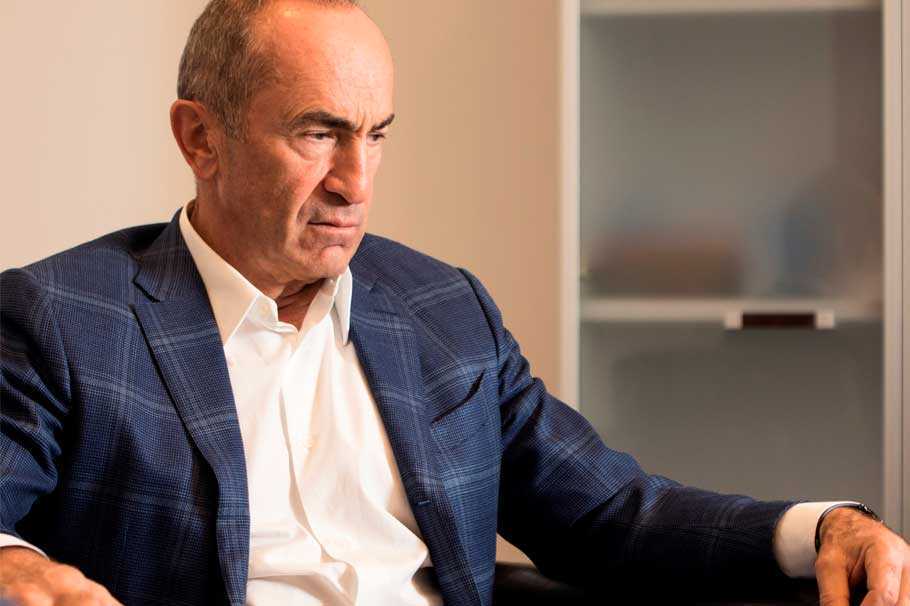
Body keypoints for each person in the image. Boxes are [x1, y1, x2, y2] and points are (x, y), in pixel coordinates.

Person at [0, 0, 906, 605]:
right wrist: (17, 569)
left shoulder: (440, 308)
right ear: (201, 138)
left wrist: (820, 529)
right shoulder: (61, 318)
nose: (356, 182)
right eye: (318, 133)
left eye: (375, 136)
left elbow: (609, 514)